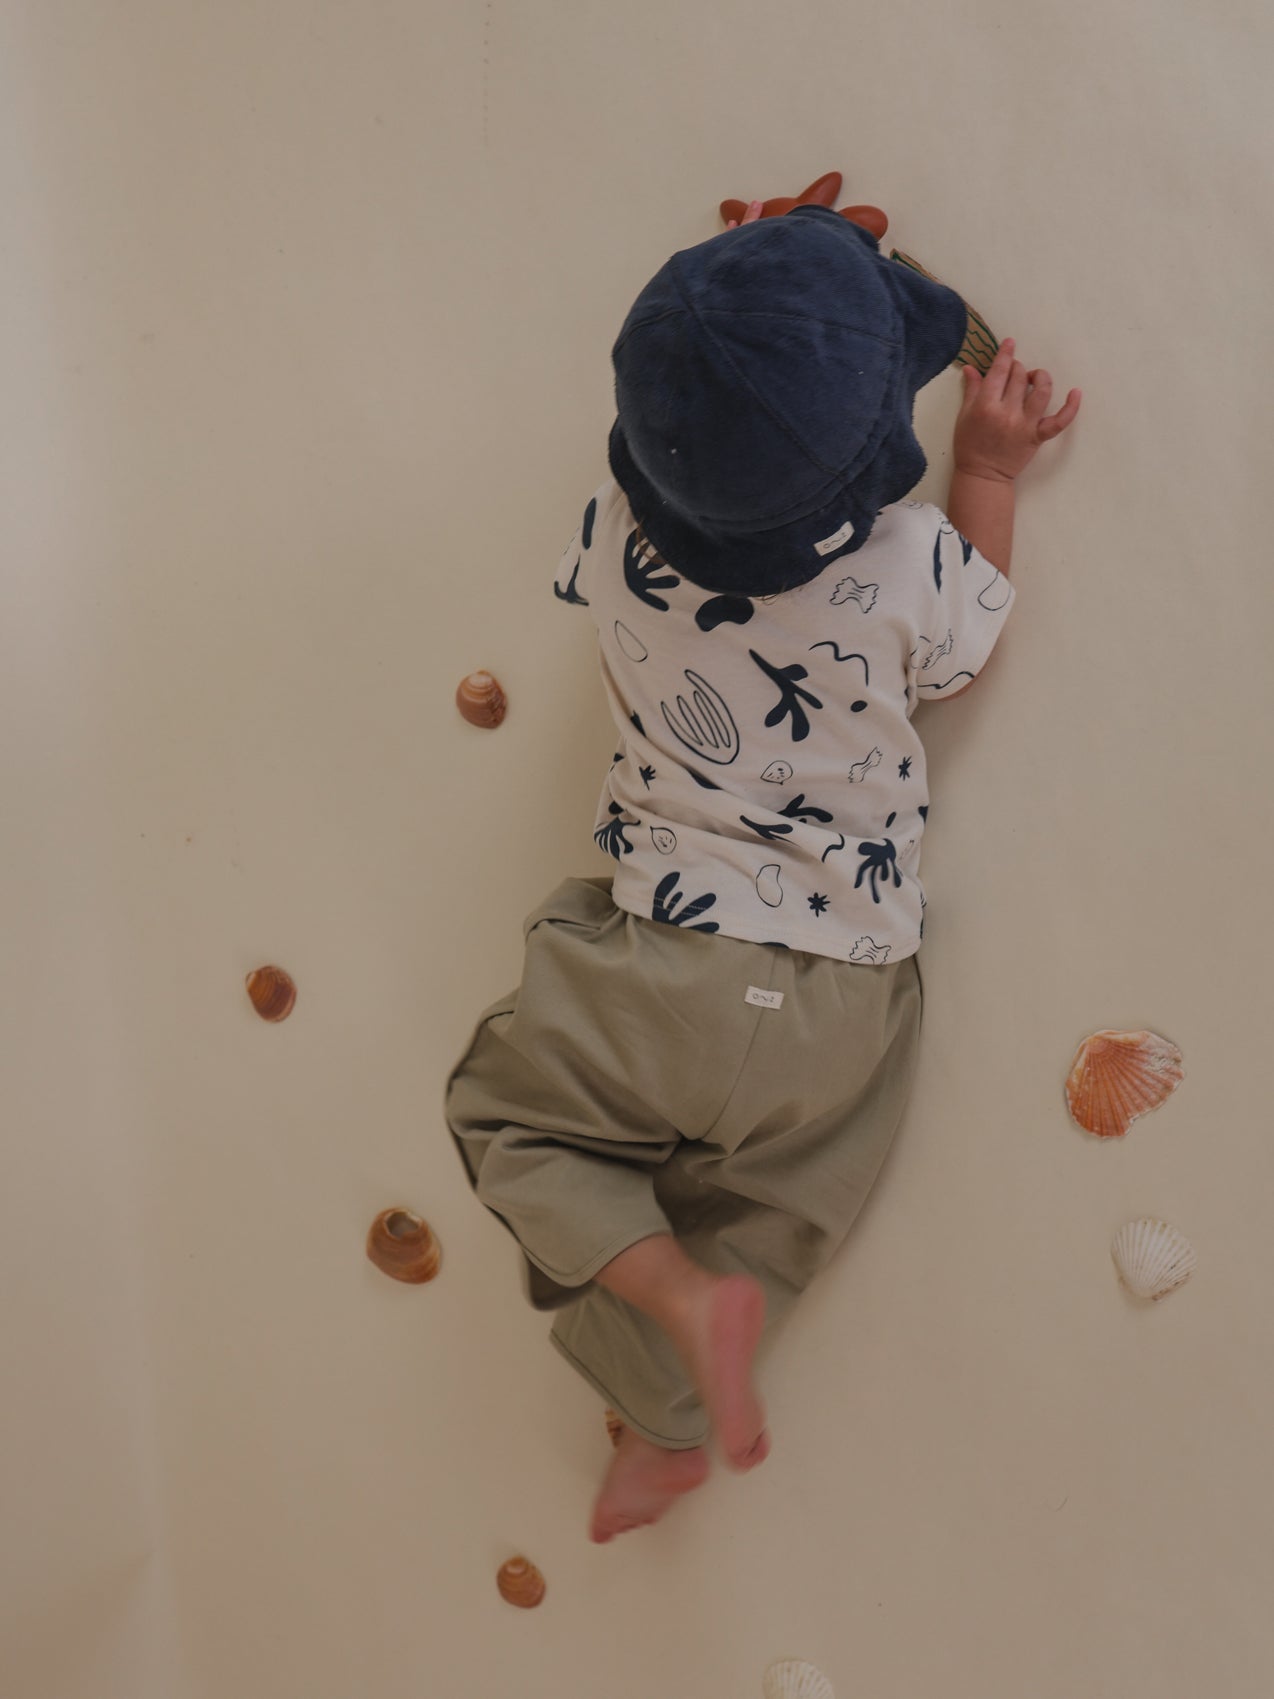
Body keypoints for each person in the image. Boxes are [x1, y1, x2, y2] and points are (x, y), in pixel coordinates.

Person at [445, 199, 1081, 1543]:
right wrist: (987, 468)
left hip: (659, 968)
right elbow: (969, 645)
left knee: (518, 1125)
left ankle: (669, 1325)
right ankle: (666, 1400)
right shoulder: (910, 566)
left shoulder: (615, 533)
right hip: (840, 999)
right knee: (772, 1214)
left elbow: (699, 436)